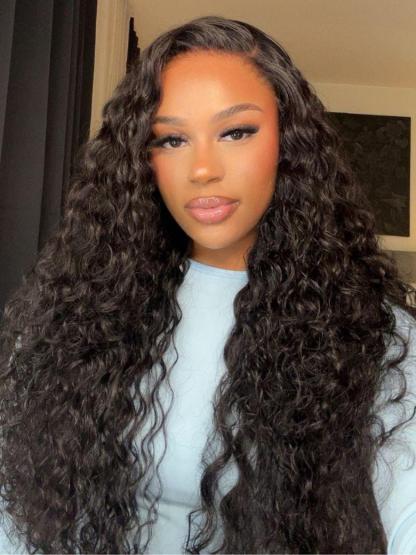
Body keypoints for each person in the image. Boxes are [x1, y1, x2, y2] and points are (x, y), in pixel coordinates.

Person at [0, 14, 415, 554]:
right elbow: (13, 501)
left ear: (288, 142)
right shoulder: (75, 308)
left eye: (236, 132)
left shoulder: (372, 334)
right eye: (171, 139)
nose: (202, 169)